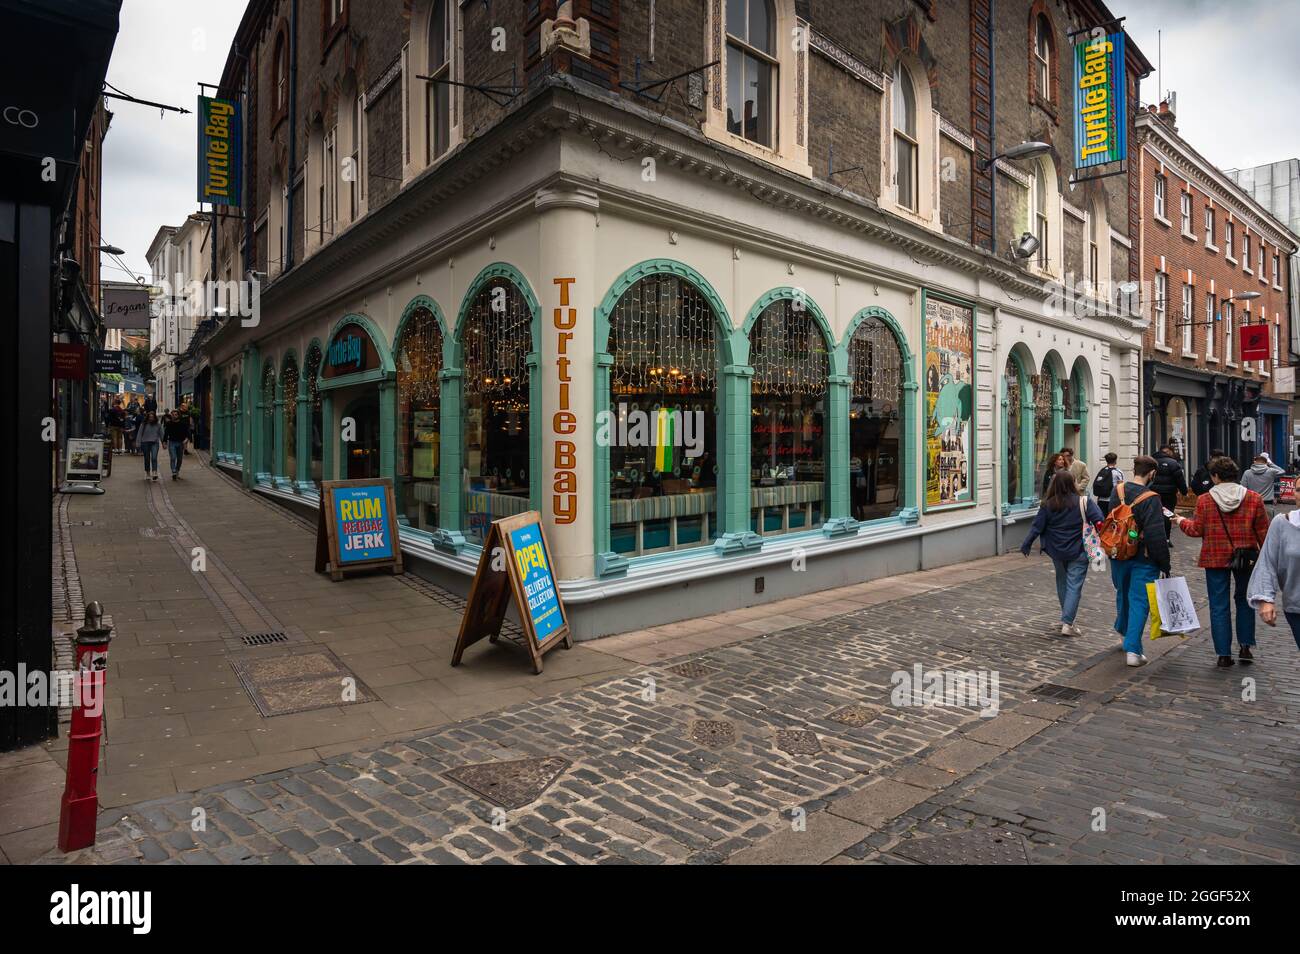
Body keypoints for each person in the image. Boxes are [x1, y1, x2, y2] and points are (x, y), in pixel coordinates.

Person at [1172, 456, 1269, 668]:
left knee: (1218, 606)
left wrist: (1181, 521)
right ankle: (1245, 646)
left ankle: (1223, 654)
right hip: (1246, 557)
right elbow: (1264, 533)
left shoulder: (1205, 500)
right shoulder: (1253, 498)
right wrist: (1267, 561)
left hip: (1215, 556)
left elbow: (1196, 530)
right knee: (1244, 601)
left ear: (1215, 477)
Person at [1021, 470, 1105, 637]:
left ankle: (1067, 618)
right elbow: (1100, 520)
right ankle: (1068, 623)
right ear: (1073, 483)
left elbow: (1037, 526)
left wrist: (1027, 544)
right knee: (1074, 586)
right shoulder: (1084, 502)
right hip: (1079, 550)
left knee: (1062, 583)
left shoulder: (1048, 504)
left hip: (1056, 550)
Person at [1109, 456, 1171, 667]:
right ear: (1152, 473)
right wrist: (1164, 563)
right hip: (1143, 558)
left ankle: (1123, 631)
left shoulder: (1117, 491)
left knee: (1123, 593)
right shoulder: (1151, 498)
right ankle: (1133, 650)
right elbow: (1156, 535)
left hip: (1118, 553)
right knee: (1139, 601)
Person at [1247, 508, 1300, 651]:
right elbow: (1267, 562)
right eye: (1298, 490)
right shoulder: (1282, 523)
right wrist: (1265, 599)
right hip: (1296, 607)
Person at [1150, 444, 1188, 541]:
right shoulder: (1173, 463)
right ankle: (1166, 538)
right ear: (1169, 452)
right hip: (1169, 494)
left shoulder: (1151, 462)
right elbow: (1180, 479)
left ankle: (1155, 537)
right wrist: (1184, 492)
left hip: (1153, 493)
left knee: (1154, 514)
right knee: (1167, 514)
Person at [1092, 452, 1124, 518]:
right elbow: (1121, 487)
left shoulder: (1102, 471)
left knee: (1103, 519)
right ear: (1115, 461)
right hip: (1112, 500)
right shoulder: (1118, 472)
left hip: (1101, 500)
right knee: (1112, 520)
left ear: (1106, 461)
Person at [163, 408, 190, 480]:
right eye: (173, 414)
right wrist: (164, 442)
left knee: (180, 459)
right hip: (172, 442)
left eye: (175, 414)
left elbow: (187, 433)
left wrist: (186, 440)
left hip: (180, 443)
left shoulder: (183, 424)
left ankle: (177, 470)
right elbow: (166, 434)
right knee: (173, 457)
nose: (174, 416)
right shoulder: (169, 424)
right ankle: (174, 472)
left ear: (178, 415)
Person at [136, 411, 163, 480]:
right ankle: (148, 472)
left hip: (154, 443)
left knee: (154, 457)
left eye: (152, 417)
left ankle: (154, 472)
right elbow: (139, 434)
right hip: (145, 443)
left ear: (155, 417)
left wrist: (164, 443)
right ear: (147, 417)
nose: (151, 418)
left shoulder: (158, 425)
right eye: (150, 417)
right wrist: (138, 443)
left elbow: (161, 434)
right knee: (147, 458)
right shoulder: (143, 424)